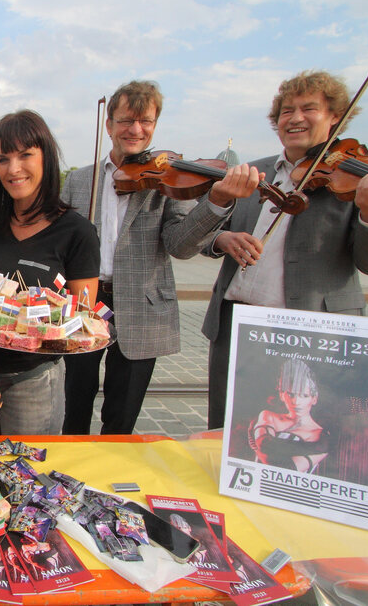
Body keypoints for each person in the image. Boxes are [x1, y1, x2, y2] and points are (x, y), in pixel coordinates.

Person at [202, 70, 368, 429]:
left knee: (309, 428)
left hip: (314, 333)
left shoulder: (358, 177)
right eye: (286, 111)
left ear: (336, 117)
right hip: (238, 325)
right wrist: (221, 239)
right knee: (228, 430)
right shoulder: (255, 173)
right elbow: (205, 235)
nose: (295, 118)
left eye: (309, 109)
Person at [61, 80, 259, 434]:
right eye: (125, 120)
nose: (136, 130)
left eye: (146, 121)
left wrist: (217, 202)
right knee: (73, 404)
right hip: (84, 303)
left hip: (143, 305)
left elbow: (181, 245)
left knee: (121, 417)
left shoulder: (169, 177)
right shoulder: (79, 180)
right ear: (108, 126)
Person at [0, 110, 100, 435]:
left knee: (25, 474)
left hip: (32, 381)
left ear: (46, 158)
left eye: (25, 155)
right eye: (3, 159)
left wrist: (31, 324)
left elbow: (82, 319)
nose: (13, 168)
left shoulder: (77, 232)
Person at [248, 358, 329, 473]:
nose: (296, 401)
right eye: (290, 394)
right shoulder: (269, 416)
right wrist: (313, 448)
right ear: (282, 395)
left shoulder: (319, 435)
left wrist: (257, 447)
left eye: (304, 395)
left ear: (314, 399)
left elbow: (286, 469)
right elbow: (265, 444)